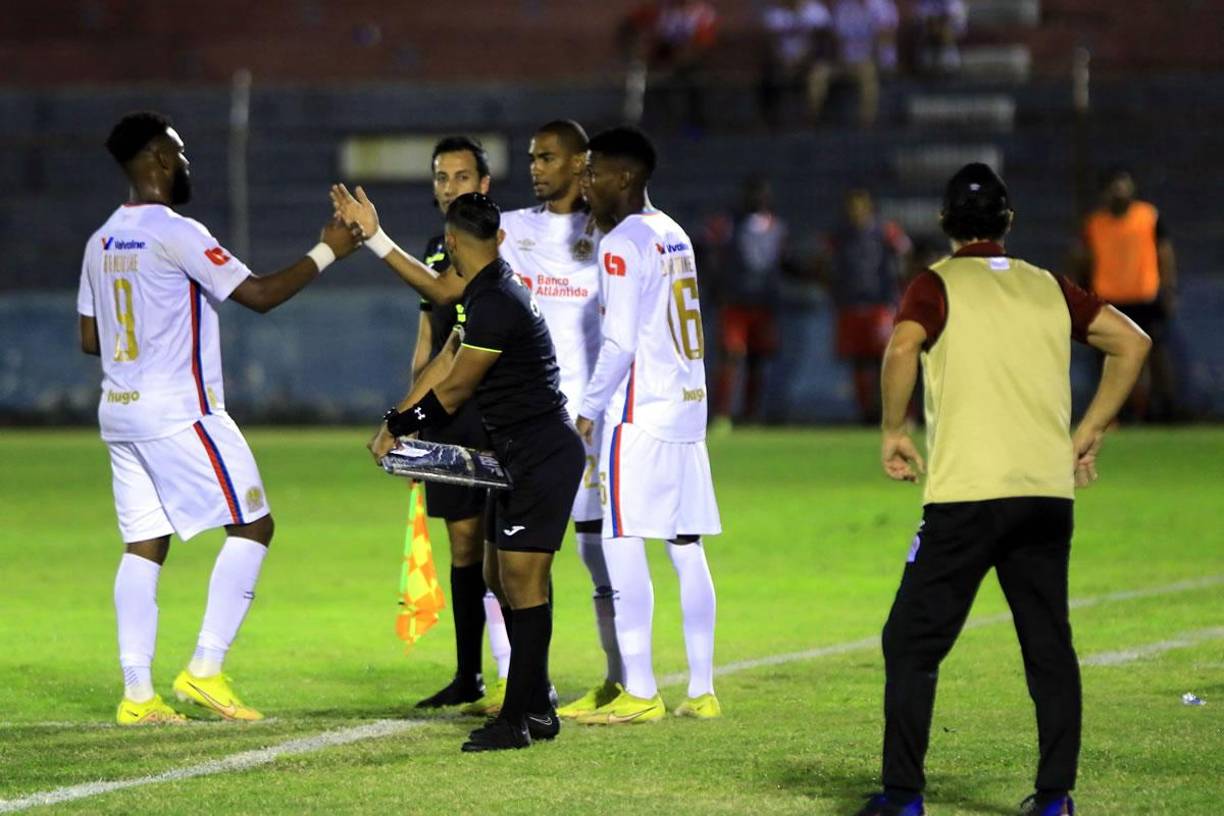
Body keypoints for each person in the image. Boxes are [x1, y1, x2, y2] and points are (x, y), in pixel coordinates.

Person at [857, 163, 1151, 816]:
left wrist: (893, 430)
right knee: (1048, 646)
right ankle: (1054, 798)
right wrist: (1090, 430)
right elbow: (1132, 344)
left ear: (945, 223)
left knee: (910, 643)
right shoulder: (1049, 285)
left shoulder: (935, 284)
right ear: (1007, 222)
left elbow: (901, 349)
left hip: (966, 495)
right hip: (1045, 496)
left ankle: (902, 797)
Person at [78, 111, 361, 725]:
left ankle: (137, 696)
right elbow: (259, 295)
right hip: (181, 411)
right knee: (254, 525)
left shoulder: (101, 239)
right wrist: (329, 250)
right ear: (157, 158)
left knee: (143, 547)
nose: (186, 163)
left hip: (120, 413)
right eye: (179, 152)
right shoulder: (177, 232)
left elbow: (90, 337)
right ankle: (204, 670)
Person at [335, 187, 585, 752]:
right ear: (498, 238)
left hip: (541, 454)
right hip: (517, 453)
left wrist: (398, 426)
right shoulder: (485, 287)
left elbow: (455, 388)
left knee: (523, 583)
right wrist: (375, 237)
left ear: (449, 243)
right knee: (501, 576)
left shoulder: (495, 303)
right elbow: (444, 330)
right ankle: (536, 707)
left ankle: (518, 718)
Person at [574, 126, 722, 724]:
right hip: (687, 407)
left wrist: (588, 407)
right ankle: (703, 689)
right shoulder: (674, 232)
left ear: (625, 177)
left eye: (593, 173)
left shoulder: (623, 242)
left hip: (639, 413)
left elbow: (619, 342)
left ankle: (640, 690)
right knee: (685, 545)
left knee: (619, 539)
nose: (586, 184)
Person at [496, 121, 623, 718]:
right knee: (517, 564)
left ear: (579, 163)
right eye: (532, 158)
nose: (535, 168)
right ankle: (529, 683)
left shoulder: (613, 234)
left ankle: (621, 679)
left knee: (597, 554)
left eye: (547, 158)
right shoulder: (512, 230)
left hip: (592, 421)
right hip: (530, 423)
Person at [405, 136, 510, 715]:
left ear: (484, 185)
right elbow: (429, 338)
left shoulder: (501, 246)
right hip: (447, 415)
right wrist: (413, 419)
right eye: (441, 178)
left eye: (461, 177)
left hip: (494, 409)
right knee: (463, 544)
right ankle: (469, 674)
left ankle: (516, 674)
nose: (450, 188)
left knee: (506, 548)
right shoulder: (435, 248)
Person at [1078, 166, 1180, 422]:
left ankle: (1165, 409)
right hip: (1109, 300)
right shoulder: (1095, 223)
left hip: (1145, 297)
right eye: (1114, 185)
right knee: (1108, 359)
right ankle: (1115, 413)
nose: (1119, 190)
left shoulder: (1148, 216)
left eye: (1123, 183)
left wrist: (1168, 289)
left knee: (1156, 356)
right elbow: (1083, 260)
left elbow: (1165, 252)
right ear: (1104, 192)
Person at [711, 176, 793, 427]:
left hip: (764, 305)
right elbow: (711, 256)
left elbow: (785, 262)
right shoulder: (728, 225)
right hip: (735, 303)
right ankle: (722, 413)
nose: (757, 199)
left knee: (757, 361)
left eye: (762, 194)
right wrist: (716, 288)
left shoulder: (778, 228)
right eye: (753, 194)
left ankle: (751, 414)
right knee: (731, 356)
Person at [827, 188, 911, 424]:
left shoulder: (885, 231)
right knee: (859, 360)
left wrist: (898, 287)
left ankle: (894, 411)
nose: (856, 211)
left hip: (880, 306)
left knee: (885, 360)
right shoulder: (841, 235)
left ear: (869, 207)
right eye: (852, 206)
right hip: (851, 305)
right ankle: (866, 412)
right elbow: (828, 264)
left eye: (860, 205)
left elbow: (906, 252)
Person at [810, 0, 899, 127]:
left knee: (868, 73)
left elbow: (886, 38)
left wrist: (871, 56)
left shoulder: (881, 6)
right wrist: (839, 59)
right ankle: (814, 119)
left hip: (871, 60)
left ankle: (866, 123)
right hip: (843, 61)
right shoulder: (843, 7)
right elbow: (836, 38)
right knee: (819, 73)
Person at [759, 0, 835, 128]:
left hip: (810, 63)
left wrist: (803, 61)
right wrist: (782, 61)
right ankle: (770, 121)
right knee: (766, 76)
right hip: (782, 63)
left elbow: (821, 44)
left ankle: (813, 118)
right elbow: (770, 45)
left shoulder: (815, 11)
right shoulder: (776, 13)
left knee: (820, 74)